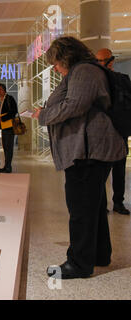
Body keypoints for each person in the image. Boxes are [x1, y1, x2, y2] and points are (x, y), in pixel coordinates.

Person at [32, 36, 127, 279]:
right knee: (92, 205)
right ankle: (99, 254)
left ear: (66, 56)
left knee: (81, 207)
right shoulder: (85, 70)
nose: (55, 68)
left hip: (88, 151)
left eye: (55, 62)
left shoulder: (84, 70)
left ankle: (79, 263)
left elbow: (74, 105)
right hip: (90, 149)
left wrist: (44, 115)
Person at [95, 48, 130, 215]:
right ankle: (102, 203)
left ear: (111, 61)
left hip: (119, 131)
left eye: (103, 61)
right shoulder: (96, 81)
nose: (101, 64)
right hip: (103, 133)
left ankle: (118, 202)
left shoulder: (122, 80)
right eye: (98, 61)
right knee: (101, 171)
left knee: (119, 169)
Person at [0, 83, 18, 173]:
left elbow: (14, 111)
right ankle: (6, 166)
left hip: (9, 126)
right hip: (3, 127)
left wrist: (3, 118)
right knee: (5, 147)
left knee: (9, 147)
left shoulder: (9, 98)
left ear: (4, 90)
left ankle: (8, 167)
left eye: (0, 89)